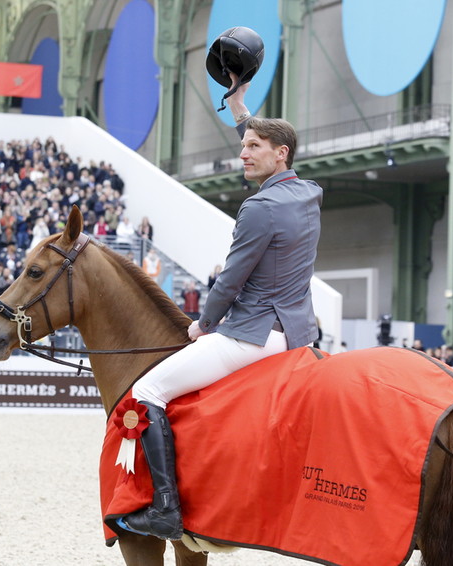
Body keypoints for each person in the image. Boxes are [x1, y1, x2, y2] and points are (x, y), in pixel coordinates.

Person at [116, 74, 323, 540]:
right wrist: (239, 108)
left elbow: (231, 279)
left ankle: (166, 509)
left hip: (252, 335)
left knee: (146, 391)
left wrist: (202, 325)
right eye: (243, 144)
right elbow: (267, 136)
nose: (243, 152)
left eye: (253, 147)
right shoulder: (309, 192)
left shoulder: (258, 207)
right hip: (298, 333)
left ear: (279, 154)